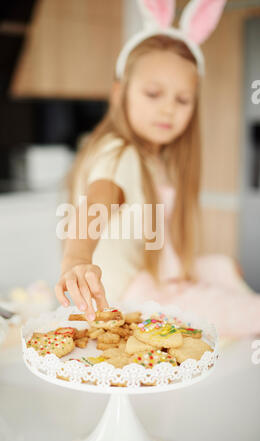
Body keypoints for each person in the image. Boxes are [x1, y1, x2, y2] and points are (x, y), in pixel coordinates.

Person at [55, 0, 260, 337]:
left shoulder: (154, 157)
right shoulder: (119, 152)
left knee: (224, 269)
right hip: (128, 298)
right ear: (120, 94)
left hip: (149, 278)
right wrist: (76, 259)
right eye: (153, 93)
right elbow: (96, 201)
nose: (168, 110)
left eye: (182, 100)